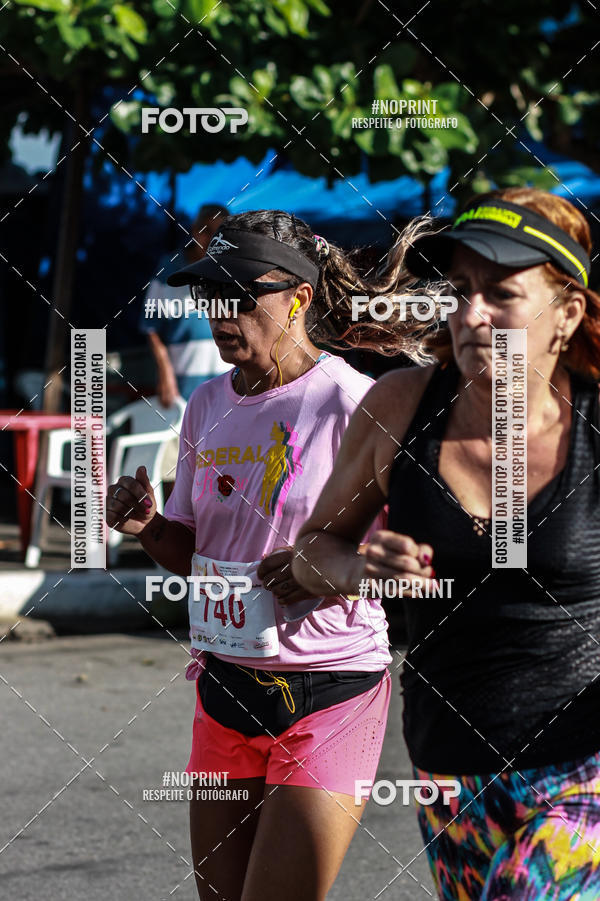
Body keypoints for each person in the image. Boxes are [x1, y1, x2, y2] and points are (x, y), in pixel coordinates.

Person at [105, 209, 437, 901]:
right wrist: (146, 526)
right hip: (224, 689)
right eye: (207, 295)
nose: (219, 312)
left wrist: (329, 568)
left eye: (239, 295)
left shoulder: (352, 402)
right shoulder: (204, 405)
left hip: (330, 691)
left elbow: (400, 555)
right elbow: (193, 551)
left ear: (300, 297)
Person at [293, 188, 600, 900]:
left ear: (569, 314)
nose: (471, 314)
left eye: (502, 294)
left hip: (584, 756)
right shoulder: (402, 408)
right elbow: (311, 549)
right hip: (450, 764)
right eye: (460, 290)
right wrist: (360, 566)